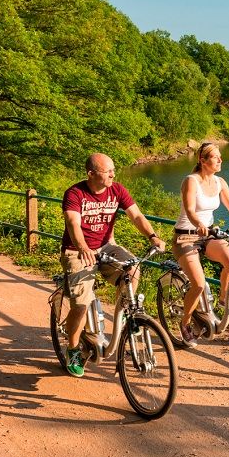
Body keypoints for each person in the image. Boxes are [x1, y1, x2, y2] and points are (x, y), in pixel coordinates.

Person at [60, 153, 165, 377]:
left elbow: (136, 216)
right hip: (77, 251)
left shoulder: (117, 190)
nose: (112, 174)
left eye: (113, 170)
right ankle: (73, 349)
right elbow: (72, 223)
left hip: (106, 247)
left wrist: (153, 236)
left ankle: (123, 315)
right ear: (91, 174)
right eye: (107, 171)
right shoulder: (75, 193)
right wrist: (83, 247)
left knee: (134, 267)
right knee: (80, 303)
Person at [173, 142, 229, 347]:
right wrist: (198, 224)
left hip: (208, 235)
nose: (220, 160)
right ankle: (185, 323)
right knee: (199, 284)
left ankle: (223, 300)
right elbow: (190, 210)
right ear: (202, 161)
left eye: (220, 156)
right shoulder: (191, 181)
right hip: (185, 236)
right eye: (215, 157)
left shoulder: (220, 182)